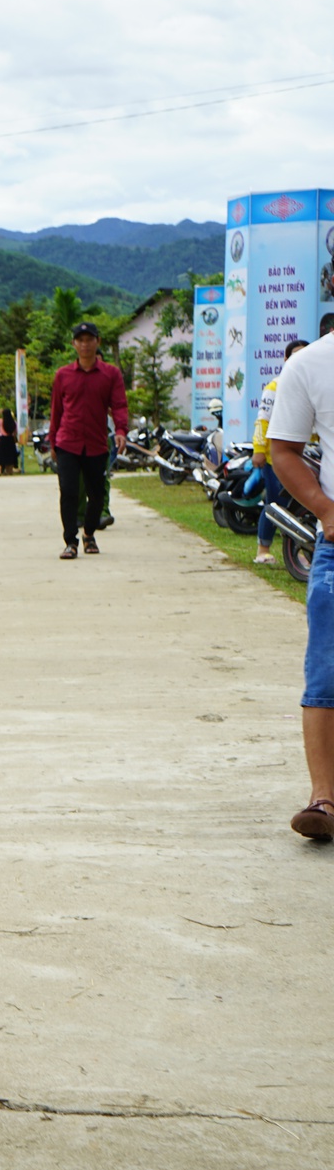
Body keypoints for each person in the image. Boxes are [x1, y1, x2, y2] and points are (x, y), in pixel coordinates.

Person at [265, 334, 334, 839]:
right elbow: (281, 450)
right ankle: (324, 799)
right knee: (326, 672)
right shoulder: (310, 363)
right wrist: (327, 510)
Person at [48, 321, 128, 559]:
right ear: (74, 344)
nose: (85, 344)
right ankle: (70, 541)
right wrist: (53, 442)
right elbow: (56, 411)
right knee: (69, 492)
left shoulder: (110, 374)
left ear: (97, 342)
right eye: (80, 340)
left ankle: (89, 534)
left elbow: (119, 405)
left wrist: (121, 430)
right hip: (67, 442)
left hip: (96, 443)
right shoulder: (63, 375)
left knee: (97, 495)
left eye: (89, 339)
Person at [251, 340, 309, 565]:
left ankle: (301, 551)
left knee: (303, 505)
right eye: (295, 355)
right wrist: (259, 451)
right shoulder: (275, 387)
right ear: (286, 360)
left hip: (306, 457)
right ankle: (263, 549)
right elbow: (262, 421)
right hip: (275, 458)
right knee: (275, 503)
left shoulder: (311, 384)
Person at [0, 407, 21, 474]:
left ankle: (0, 471)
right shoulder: (14, 423)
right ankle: (10, 471)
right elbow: (15, 433)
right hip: (11, 440)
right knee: (10, 456)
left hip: (3, 440)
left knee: (1, 455)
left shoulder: (1, 421)